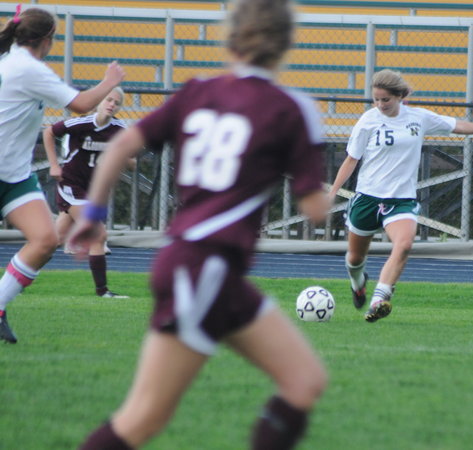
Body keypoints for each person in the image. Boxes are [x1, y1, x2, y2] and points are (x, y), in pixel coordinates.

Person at [71, 0, 329, 448]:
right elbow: (317, 210)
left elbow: (121, 147)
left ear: (231, 38)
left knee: (304, 380)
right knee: (141, 419)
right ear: (286, 43)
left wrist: (93, 215)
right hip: (203, 267)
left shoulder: (197, 91)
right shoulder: (292, 108)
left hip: (208, 269)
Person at [328, 69, 473, 323]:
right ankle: (358, 283)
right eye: (376, 99)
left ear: (400, 96)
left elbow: (456, 125)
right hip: (367, 198)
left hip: (401, 200)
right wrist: (333, 191)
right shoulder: (368, 121)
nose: (380, 104)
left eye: (385, 99)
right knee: (355, 259)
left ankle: (379, 299)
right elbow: (351, 159)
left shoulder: (418, 118)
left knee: (404, 244)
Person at [0, 6, 125, 344]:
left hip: (14, 175)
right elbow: (81, 104)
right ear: (47, 39)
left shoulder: (15, 61)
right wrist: (109, 82)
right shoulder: (27, 67)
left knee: (45, 240)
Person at [43, 87, 132, 299]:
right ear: (99, 101)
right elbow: (48, 132)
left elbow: (132, 163)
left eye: (116, 103)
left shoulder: (120, 129)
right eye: (108, 99)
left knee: (50, 241)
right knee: (98, 234)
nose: (112, 104)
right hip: (71, 184)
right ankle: (103, 292)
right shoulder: (81, 123)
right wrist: (54, 165)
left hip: (91, 190)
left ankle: (15, 278)